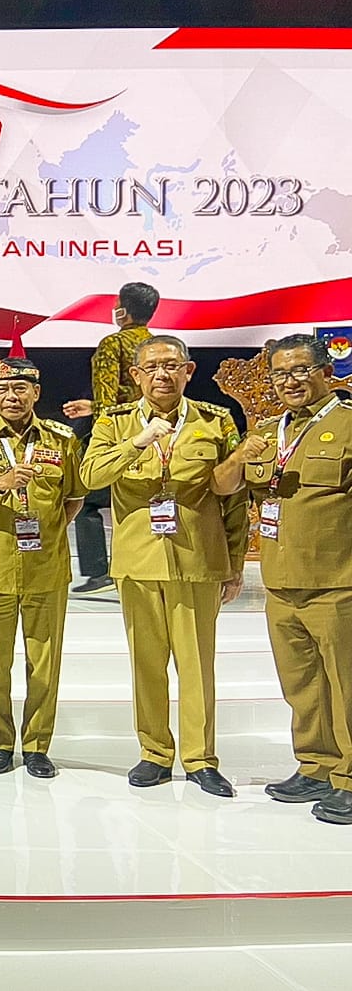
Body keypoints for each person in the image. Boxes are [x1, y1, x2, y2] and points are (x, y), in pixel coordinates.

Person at [80, 334, 247, 798]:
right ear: (135, 375)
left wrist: (234, 562)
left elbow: (234, 498)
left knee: (198, 666)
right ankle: (154, 752)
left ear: (188, 371)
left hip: (197, 558)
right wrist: (138, 442)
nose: (162, 374)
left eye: (172, 365)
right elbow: (90, 476)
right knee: (147, 664)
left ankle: (200, 759)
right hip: (139, 560)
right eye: (151, 367)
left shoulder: (215, 421)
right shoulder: (114, 423)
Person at [212, 334, 352, 824]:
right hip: (281, 582)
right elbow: (222, 486)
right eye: (279, 374)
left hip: (339, 583)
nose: (289, 381)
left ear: (326, 372)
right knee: (302, 685)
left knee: (347, 687)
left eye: (300, 370)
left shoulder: (348, 424)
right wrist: (239, 455)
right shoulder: (270, 431)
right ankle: (316, 766)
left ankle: (350, 778)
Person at [0, 358, 84, 778]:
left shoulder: (63, 440)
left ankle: (37, 746)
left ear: (36, 393)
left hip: (46, 567)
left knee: (44, 663)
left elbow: (74, 498)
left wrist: (47, 530)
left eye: (20, 388)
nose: (12, 397)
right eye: (3, 389)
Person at [62, 282, 159, 596]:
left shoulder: (112, 344)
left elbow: (108, 403)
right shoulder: (159, 346)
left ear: (123, 311)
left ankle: (98, 573)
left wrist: (98, 421)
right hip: (159, 432)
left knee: (86, 499)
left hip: (121, 437)